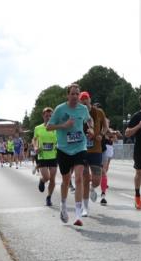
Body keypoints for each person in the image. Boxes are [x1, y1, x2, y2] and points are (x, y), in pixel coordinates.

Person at [46, 83, 93, 226]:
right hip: (64, 149)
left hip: (80, 147)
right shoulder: (60, 109)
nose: (74, 96)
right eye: (72, 94)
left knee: (79, 178)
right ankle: (63, 206)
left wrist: (90, 128)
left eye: (77, 94)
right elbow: (49, 127)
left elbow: (88, 119)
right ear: (67, 95)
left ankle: (78, 215)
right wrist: (63, 126)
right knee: (66, 180)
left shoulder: (83, 108)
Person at [79, 92, 107, 217]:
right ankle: (85, 208)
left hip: (96, 149)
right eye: (82, 99)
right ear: (80, 102)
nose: (85, 101)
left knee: (96, 180)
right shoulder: (78, 113)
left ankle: (92, 188)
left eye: (86, 99)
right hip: (82, 149)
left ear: (90, 99)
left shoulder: (99, 112)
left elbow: (105, 126)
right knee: (85, 178)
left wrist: (101, 134)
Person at [34, 108, 59, 206]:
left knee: (52, 178)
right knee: (47, 177)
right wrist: (36, 146)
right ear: (43, 116)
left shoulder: (56, 127)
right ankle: (42, 180)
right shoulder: (38, 128)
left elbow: (60, 139)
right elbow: (35, 139)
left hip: (53, 155)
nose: (48, 117)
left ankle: (49, 197)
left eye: (50, 116)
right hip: (42, 156)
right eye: (46, 116)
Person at [99, 127, 119, 206]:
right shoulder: (89, 124)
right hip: (92, 150)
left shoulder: (107, 129)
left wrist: (114, 133)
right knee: (94, 175)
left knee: (104, 170)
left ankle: (103, 195)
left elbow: (113, 135)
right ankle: (92, 187)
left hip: (104, 150)